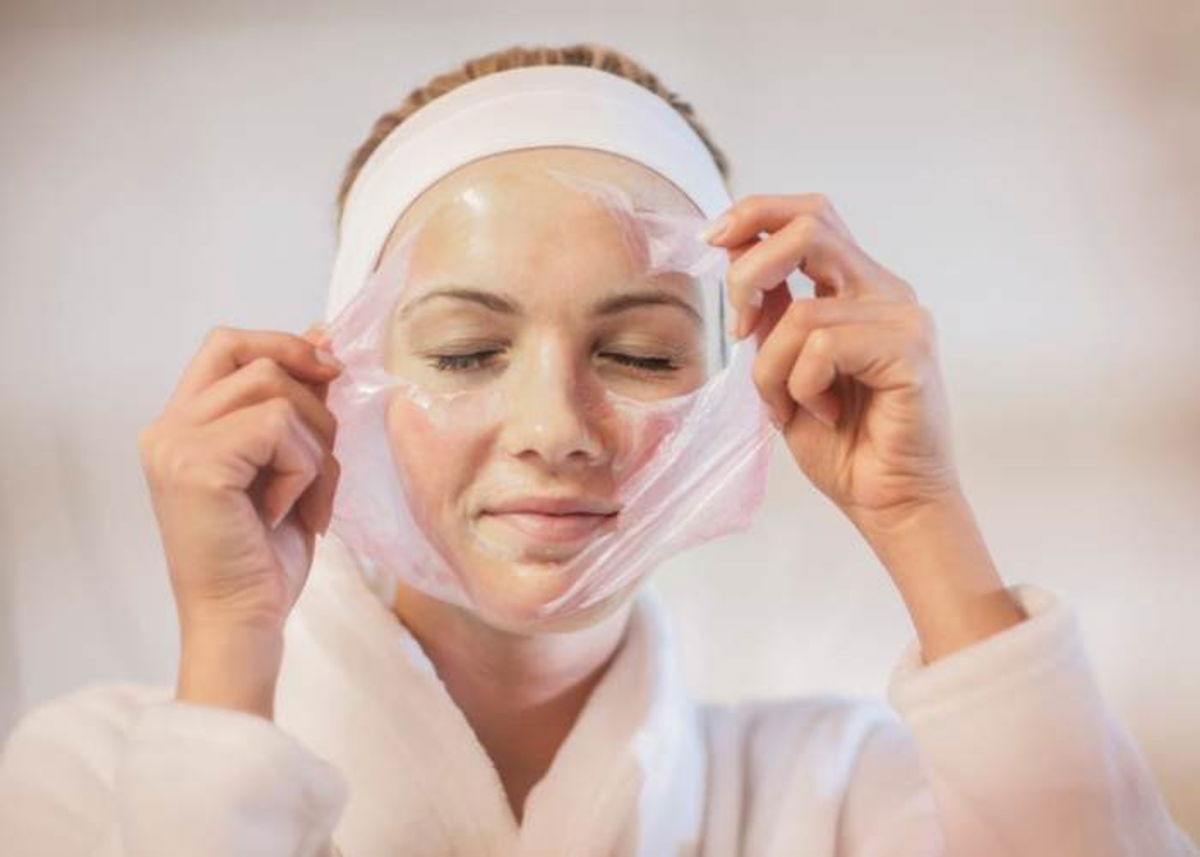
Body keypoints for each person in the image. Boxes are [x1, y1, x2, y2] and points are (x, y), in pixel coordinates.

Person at [0, 43, 1194, 857]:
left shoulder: (838, 797)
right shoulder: (90, 780)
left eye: (640, 352)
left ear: (740, 385)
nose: (558, 428)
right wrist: (228, 638)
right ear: (342, 379)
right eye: (466, 351)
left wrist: (921, 511)